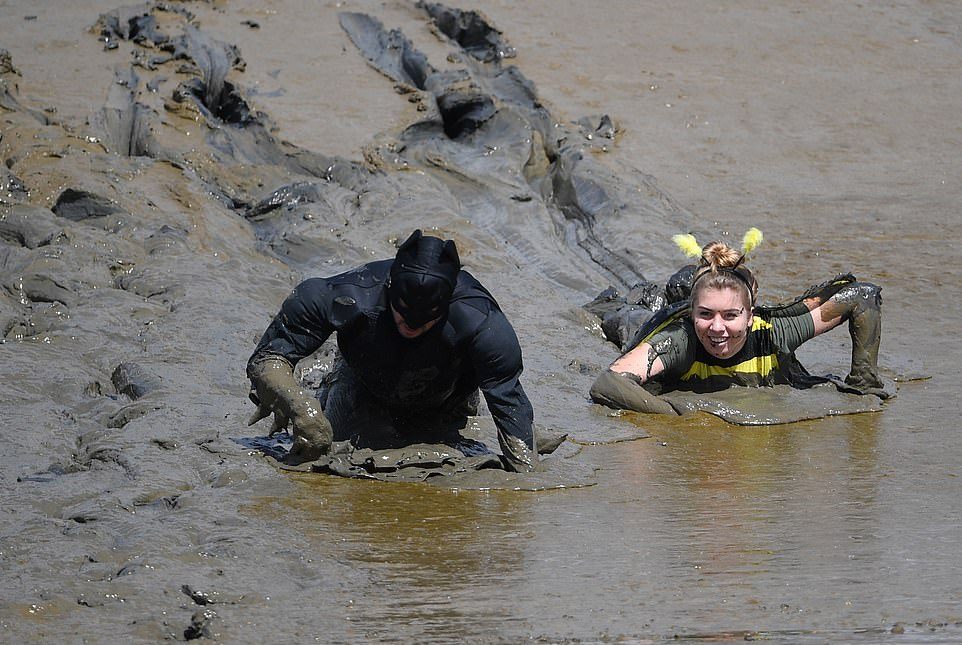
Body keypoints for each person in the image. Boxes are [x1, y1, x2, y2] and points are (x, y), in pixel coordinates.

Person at [246, 229, 537, 471]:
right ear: (390, 285)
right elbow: (269, 357)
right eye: (403, 312)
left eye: (425, 320)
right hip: (363, 379)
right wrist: (298, 406)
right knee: (330, 442)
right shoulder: (348, 295)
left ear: (447, 303)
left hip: (448, 392)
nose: (410, 325)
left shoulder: (483, 323)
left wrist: (525, 469)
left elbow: (510, 404)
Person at [590, 228, 888, 413]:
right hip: (647, 322)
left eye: (731, 315)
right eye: (705, 314)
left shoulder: (774, 333)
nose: (717, 328)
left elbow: (863, 297)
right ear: (691, 312)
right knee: (620, 314)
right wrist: (676, 411)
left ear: (750, 316)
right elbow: (608, 382)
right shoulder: (680, 339)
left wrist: (864, 385)